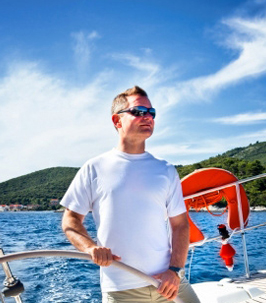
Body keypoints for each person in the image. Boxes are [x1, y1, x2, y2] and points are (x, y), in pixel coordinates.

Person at [60, 86, 200, 303]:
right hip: (122, 290)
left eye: (151, 113)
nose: (148, 117)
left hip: (170, 282)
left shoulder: (166, 170)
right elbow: (70, 219)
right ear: (117, 121)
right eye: (138, 111)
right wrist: (91, 248)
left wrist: (174, 270)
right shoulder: (94, 168)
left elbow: (180, 225)